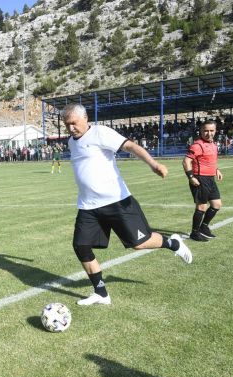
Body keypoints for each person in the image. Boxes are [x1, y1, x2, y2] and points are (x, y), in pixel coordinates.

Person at [62, 104, 192, 306]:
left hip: (117, 201)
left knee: (139, 243)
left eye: (73, 123)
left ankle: (172, 243)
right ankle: (101, 293)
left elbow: (130, 146)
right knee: (81, 246)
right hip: (88, 206)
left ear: (85, 118)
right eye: (66, 124)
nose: (70, 128)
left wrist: (154, 164)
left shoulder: (100, 132)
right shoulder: (72, 142)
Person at [183, 120, 223, 242]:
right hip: (200, 178)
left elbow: (210, 161)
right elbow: (186, 161)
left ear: (215, 131)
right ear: (201, 131)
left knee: (217, 204)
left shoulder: (214, 145)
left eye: (211, 130)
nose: (209, 133)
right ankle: (194, 233)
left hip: (210, 178)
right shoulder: (197, 145)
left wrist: (217, 170)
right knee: (201, 206)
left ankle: (204, 227)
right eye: (206, 130)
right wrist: (191, 177)